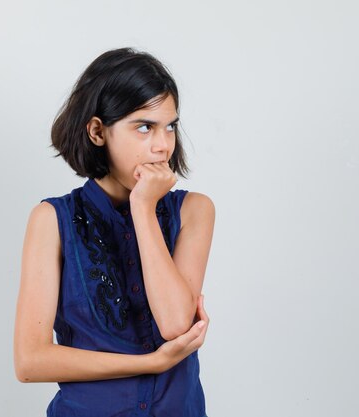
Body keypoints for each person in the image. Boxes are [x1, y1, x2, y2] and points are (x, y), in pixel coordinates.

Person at [13, 47, 215, 417]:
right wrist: (150, 363)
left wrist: (143, 207)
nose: (162, 144)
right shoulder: (51, 219)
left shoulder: (194, 210)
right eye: (144, 127)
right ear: (97, 131)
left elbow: (174, 324)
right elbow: (30, 362)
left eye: (169, 126)